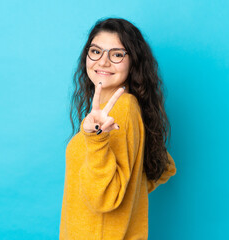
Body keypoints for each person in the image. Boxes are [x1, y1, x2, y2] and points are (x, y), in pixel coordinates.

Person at [60, 18, 176, 240]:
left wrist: (96, 141)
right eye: (95, 51)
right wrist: (132, 193)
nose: (103, 62)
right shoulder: (118, 110)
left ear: (133, 62)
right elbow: (163, 166)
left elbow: (104, 198)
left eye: (116, 54)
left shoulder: (122, 109)